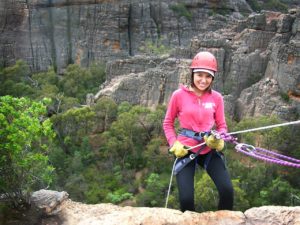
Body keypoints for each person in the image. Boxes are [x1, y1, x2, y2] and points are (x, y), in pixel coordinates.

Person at [163, 51, 233, 212]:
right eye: (199, 75)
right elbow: (167, 123)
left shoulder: (216, 98)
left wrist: (219, 139)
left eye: (208, 76)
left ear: (213, 78)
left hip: (208, 147)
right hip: (185, 150)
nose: (203, 80)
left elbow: (222, 126)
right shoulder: (178, 96)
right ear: (192, 74)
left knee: (227, 191)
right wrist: (174, 144)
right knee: (186, 199)